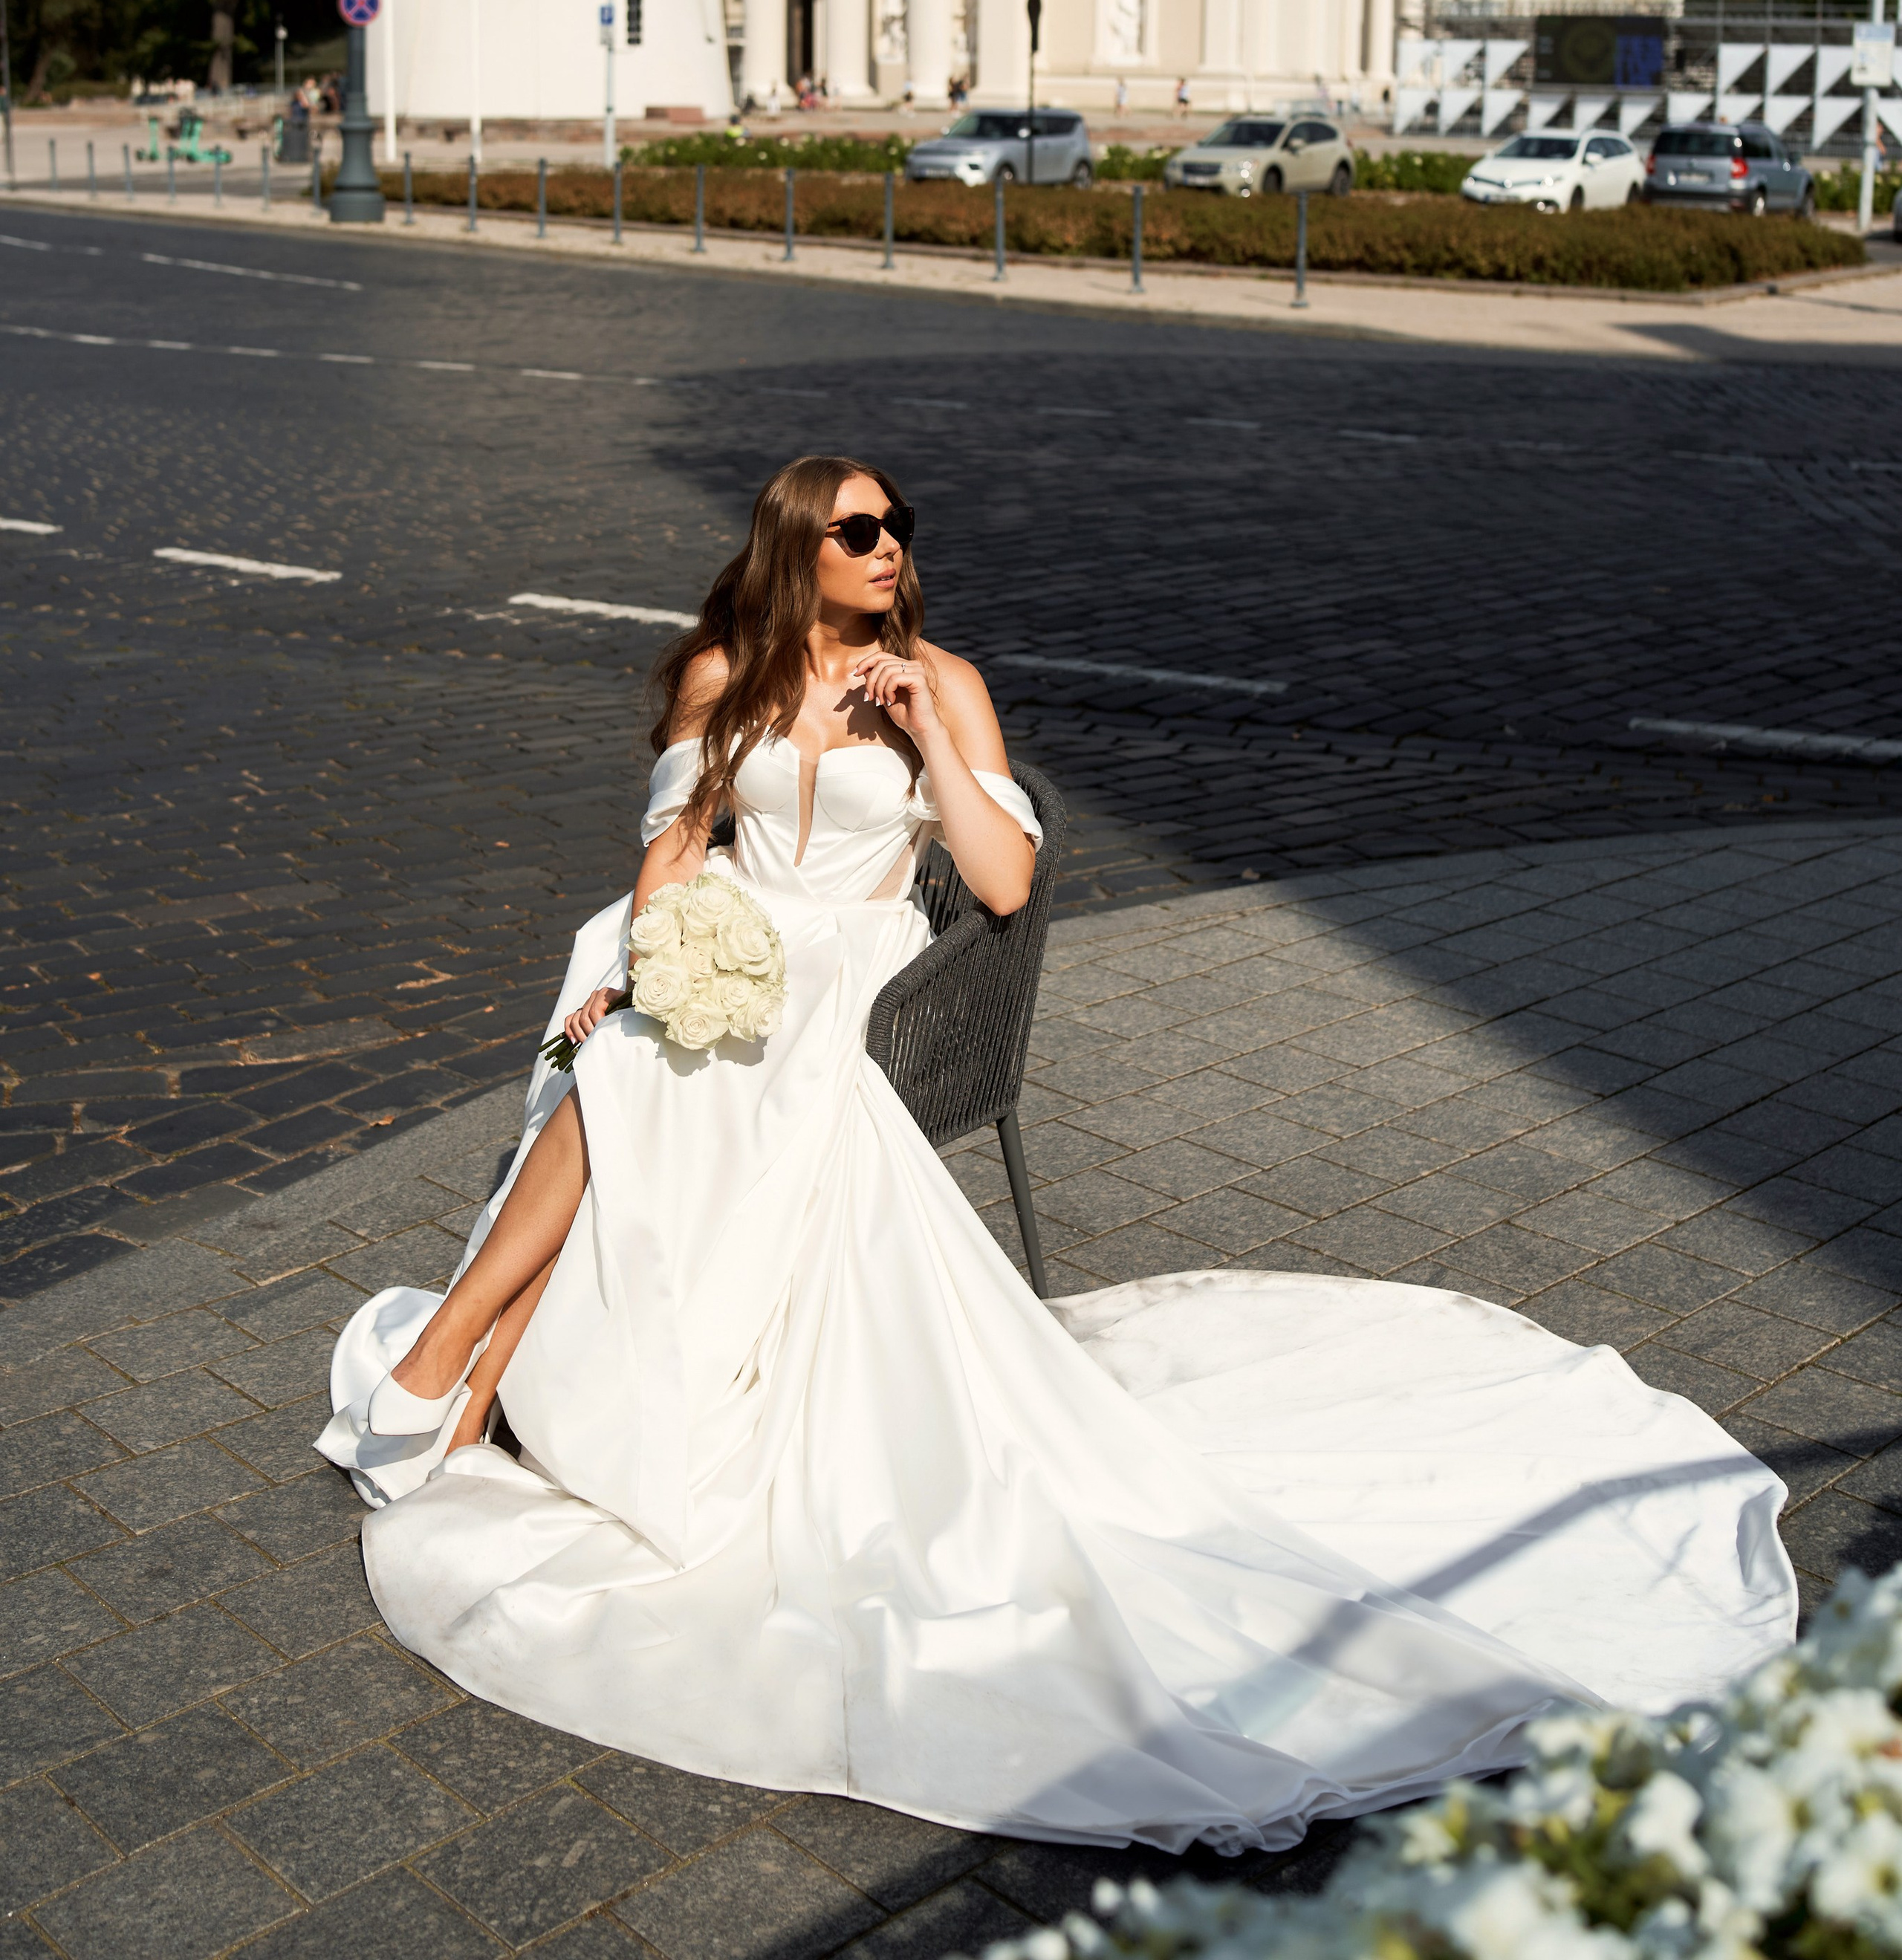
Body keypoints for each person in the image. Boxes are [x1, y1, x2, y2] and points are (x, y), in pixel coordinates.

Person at [319, 458, 1794, 1853]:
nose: (889, 543)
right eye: (856, 529)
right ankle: (467, 1368)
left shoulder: (944, 683)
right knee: (641, 1038)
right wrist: (650, 949)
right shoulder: (725, 676)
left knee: (651, 1073)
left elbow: (1005, 877)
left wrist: (922, 736)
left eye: (897, 521)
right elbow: (677, 841)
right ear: (793, 553)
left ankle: (448, 1370)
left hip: (863, 980)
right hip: (733, 944)